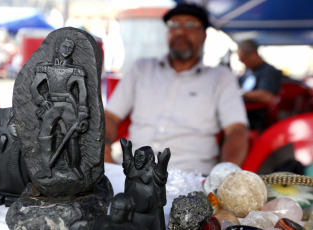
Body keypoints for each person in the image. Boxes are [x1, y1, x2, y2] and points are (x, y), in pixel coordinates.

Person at [104, 3, 249, 175]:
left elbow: (236, 130)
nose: (180, 31)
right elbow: (111, 116)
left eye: (190, 25)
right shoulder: (141, 69)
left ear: (203, 36)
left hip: (190, 178)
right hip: (132, 172)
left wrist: (226, 175)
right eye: (173, 25)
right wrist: (103, 147)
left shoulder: (221, 77)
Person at [30, 37, 89, 179]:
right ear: (57, 47)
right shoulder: (45, 68)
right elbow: (33, 86)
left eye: (71, 47)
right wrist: (40, 100)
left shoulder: (76, 71)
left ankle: (74, 168)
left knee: (73, 137)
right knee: (44, 136)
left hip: (68, 105)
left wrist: (82, 111)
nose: (68, 49)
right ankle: (46, 168)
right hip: (51, 105)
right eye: (65, 45)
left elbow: (83, 91)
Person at [121, 138, 170, 230]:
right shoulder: (132, 165)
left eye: (141, 157)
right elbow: (127, 163)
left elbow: (161, 177)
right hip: (131, 207)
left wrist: (163, 162)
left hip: (152, 209)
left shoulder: (153, 170)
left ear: (150, 158)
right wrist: (126, 149)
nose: (137, 160)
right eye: (136, 156)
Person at [238, 39, 283, 130]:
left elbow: (267, 97)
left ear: (254, 54)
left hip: (255, 118)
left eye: (243, 59)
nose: (243, 62)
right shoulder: (248, 71)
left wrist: (240, 93)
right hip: (243, 113)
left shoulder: (268, 71)